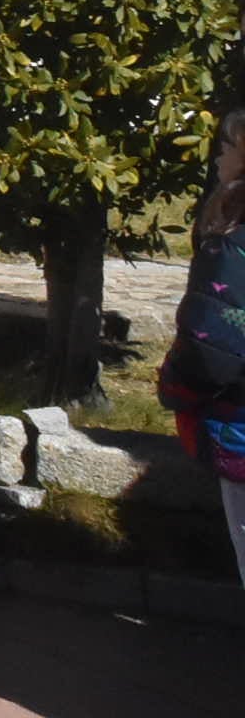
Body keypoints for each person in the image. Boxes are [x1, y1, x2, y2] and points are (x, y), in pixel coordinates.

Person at [158, 104, 245, 580]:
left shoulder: (232, 237)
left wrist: (175, 385)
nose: (217, 158)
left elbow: (214, 344)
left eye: (228, 148)